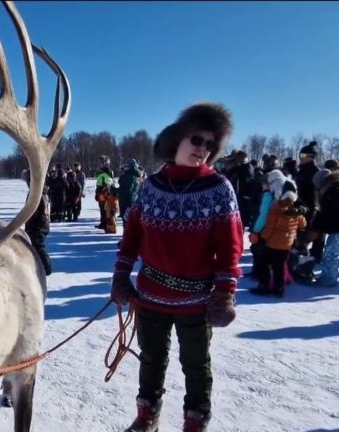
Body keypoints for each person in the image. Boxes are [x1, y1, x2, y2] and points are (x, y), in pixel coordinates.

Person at [111, 102, 242, 432]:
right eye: (197, 140)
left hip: (197, 300)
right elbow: (133, 237)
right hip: (151, 295)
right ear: (178, 138)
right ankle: (146, 417)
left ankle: (195, 422)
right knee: (151, 360)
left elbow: (231, 246)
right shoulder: (150, 186)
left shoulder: (218, 189)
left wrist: (225, 292)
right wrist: (121, 275)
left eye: (210, 144)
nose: (203, 149)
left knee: (196, 365)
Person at [249, 179, 306, 297]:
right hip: (286, 245)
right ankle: (278, 289)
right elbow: (303, 225)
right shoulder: (296, 211)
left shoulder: (276, 209)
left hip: (272, 244)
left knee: (264, 265)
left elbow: (270, 227)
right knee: (279, 267)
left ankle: (264, 286)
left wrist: (263, 238)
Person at [311, 168, 339, 287]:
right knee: (330, 253)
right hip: (338, 228)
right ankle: (328, 278)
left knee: (331, 254)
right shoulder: (332, 191)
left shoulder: (336, 192)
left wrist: (321, 225)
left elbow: (332, 213)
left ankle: (329, 280)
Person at [22, 169, 52, 275]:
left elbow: (35, 209)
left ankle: (47, 268)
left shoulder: (37, 192)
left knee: (39, 245)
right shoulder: (39, 191)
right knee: (35, 245)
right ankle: (40, 266)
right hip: (38, 222)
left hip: (39, 223)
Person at [95, 156, 114, 229]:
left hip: (105, 192)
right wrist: (97, 193)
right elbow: (99, 182)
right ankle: (103, 222)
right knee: (102, 207)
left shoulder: (108, 171)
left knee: (105, 208)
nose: (100, 164)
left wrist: (104, 190)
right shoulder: (100, 171)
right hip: (100, 191)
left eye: (102, 162)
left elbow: (109, 182)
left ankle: (107, 223)